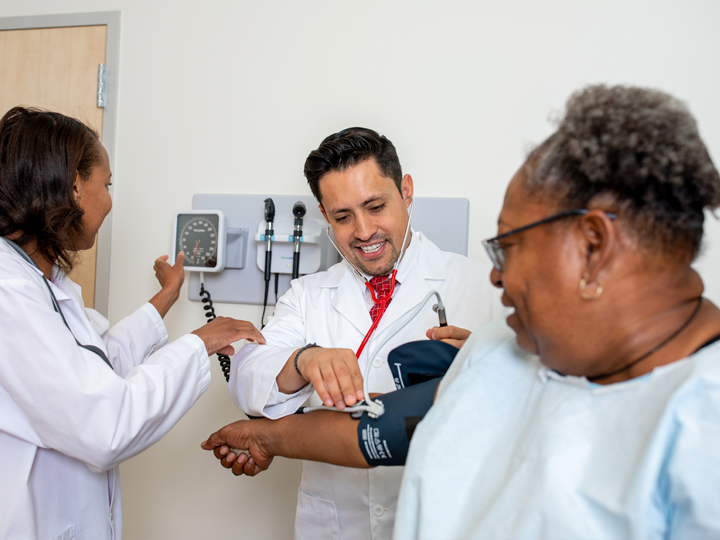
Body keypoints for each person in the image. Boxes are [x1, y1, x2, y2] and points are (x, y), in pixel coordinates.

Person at [203, 85, 720, 539]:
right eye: (343, 216)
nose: (497, 276)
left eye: (509, 248)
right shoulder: (501, 353)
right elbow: (370, 434)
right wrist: (270, 421)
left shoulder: (699, 419)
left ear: (593, 244)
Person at [0, 107, 265, 540]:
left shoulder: (41, 282)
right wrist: (199, 343)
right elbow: (105, 423)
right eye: (106, 184)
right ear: (73, 187)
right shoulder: (8, 292)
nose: (109, 199)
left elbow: (98, 367)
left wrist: (167, 295)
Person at [229, 127, 501, 539]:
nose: (363, 231)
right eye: (342, 216)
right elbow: (247, 381)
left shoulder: (483, 288)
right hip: (335, 525)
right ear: (324, 216)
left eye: (376, 206)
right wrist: (305, 359)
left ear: (406, 191)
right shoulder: (309, 295)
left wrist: (485, 359)